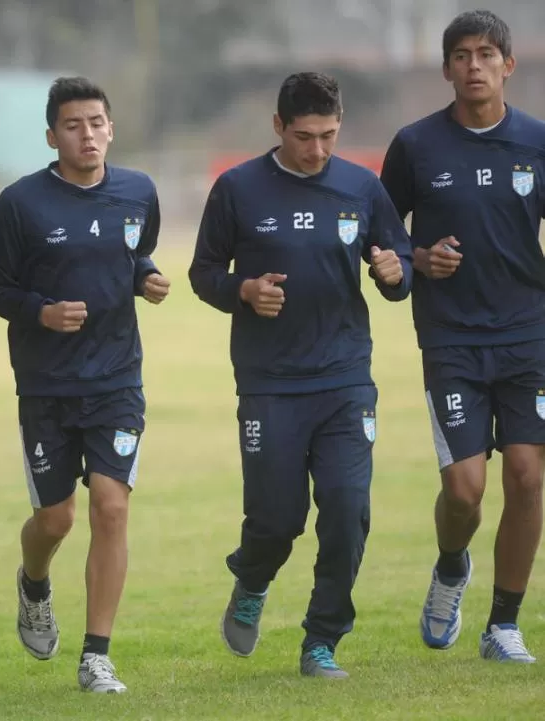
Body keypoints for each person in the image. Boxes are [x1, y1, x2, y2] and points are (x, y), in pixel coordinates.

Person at [189, 72, 413, 678]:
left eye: (330, 136)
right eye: (306, 137)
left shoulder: (362, 187)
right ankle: (253, 580)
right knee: (278, 518)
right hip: (269, 381)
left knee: (346, 507)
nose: (318, 150)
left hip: (344, 377)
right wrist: (243, 289)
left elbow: (399, 263)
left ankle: (322, 641)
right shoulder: (237, 188)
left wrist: (396, 272)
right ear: (278, 127)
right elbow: (203, 272)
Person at [0, 76, 170, 694]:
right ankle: (34, 582)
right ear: (51, 135)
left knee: (111, 508)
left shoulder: (138, 192)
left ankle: (96, 656)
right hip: (46, 384)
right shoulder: (21, 203)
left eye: (95, 123)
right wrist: (42, 312)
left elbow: (131, 254)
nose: (86, 135)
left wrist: (146, 277)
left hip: (117, 378)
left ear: (111, 128)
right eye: (72, 126)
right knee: (56, 520)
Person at [380, 9, 545, 664]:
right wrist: (418, 258)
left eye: (485, 54)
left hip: (528, 333)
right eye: (461, 56)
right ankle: (452, 564)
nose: (473, 66)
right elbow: (381, 234)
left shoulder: (537, 141)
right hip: (451, 336)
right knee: (465, 489)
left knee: (530, 475)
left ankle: (503, 624)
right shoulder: (416, 146)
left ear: (508, 64)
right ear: (446, 69)